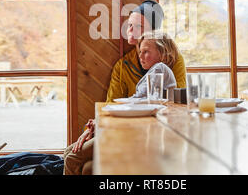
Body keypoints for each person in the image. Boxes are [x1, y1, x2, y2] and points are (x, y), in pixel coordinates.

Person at [63, 31, 182, 175]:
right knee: (72, 153)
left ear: (163, 54)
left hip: (140, 135)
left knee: (72, 158)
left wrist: (100, 120)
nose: (140, 56)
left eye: (146, 52)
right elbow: (139, 101)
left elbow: (140, 100)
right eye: (140, 51)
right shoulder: (155, 71)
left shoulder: (160, 69)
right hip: (135, 129)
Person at [106, 0, 186, 102]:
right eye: (130, 25)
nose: (130, 30)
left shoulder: (174, 60)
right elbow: (112, 103)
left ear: (153, 31)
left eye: (138, 26)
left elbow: (178, 100)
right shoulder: (123, 66)